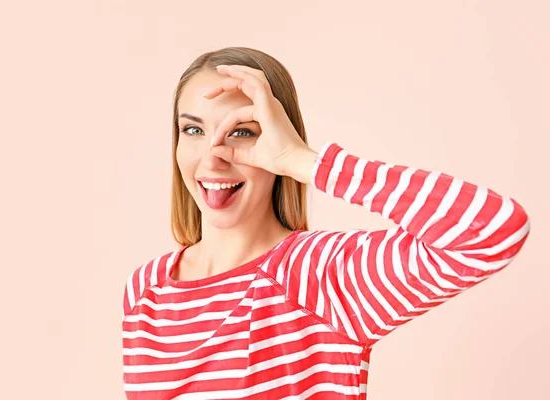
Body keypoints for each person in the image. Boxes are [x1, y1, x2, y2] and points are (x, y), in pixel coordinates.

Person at [121, 47, 531, 399]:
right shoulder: (146, 290)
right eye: (193, 129)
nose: (213, 157)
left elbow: (493, 229)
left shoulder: (321, 273)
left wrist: (303, 162)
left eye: (243, 133)